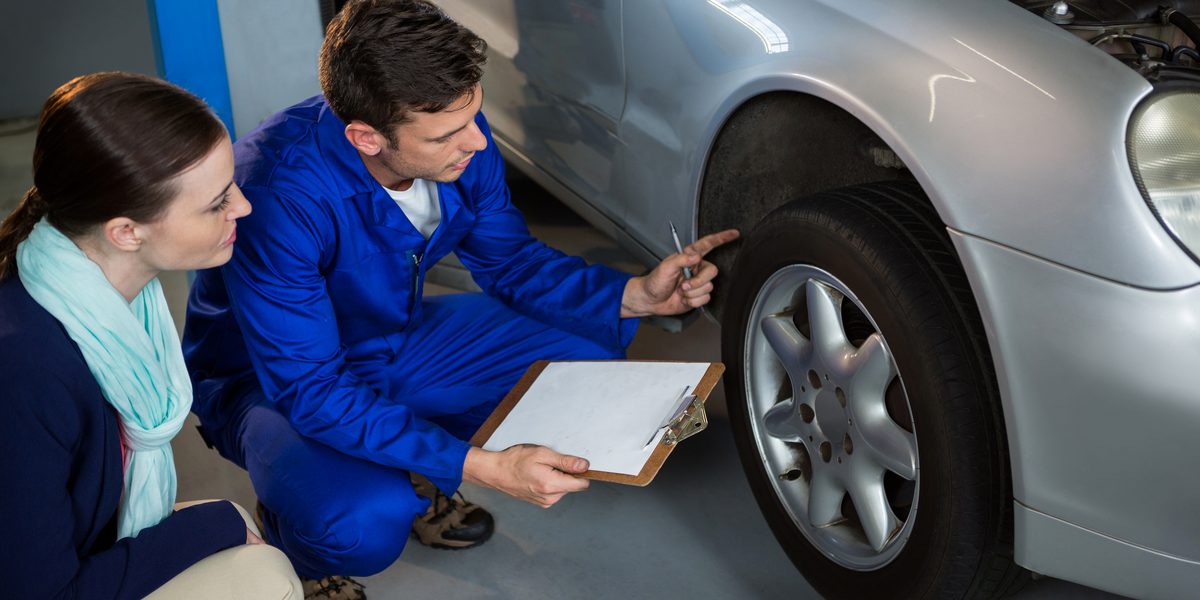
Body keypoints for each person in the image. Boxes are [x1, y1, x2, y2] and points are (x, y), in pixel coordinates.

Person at [182, 1, 739, 597]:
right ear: (366, 137)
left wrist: (636, 296)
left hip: (391, 335)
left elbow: (511, 261)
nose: (477, 141)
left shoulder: (456, 131)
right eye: (448, 134)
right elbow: (311, 388)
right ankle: (298, 544)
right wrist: (482, 467)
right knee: (360, 521)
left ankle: (408, 454)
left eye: (474, 114)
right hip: (271, 381)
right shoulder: (276, 196)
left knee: (586, 348)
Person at [0, 72, 302, 599]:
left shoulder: (113, 297)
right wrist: (214, 525)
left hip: (83, 540)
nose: (243, 207)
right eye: (217, 202)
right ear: (126, 232)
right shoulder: (25, 371)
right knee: (264, 577)